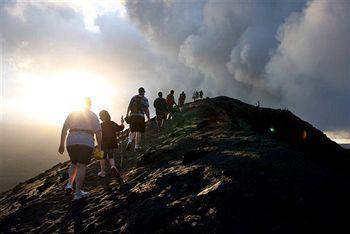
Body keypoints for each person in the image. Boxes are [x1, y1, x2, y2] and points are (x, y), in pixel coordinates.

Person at [58, 97, 102, 200]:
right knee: (81, 165)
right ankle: (78, 193)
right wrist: (99, 147)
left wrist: (61, 144)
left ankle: (69, 185)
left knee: (74, 162)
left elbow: (64, 128)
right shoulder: (93, 115)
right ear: (90, 104)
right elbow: (98, 132)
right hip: (86, 141)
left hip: (71, 140)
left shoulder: (73, 114)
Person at [98, 110, 124, 184]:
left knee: (100, 157)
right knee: (111, 156)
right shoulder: (112, 123)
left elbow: (97, 133)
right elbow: (120, 128)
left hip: (102, 143)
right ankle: (113, 166)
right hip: (112, 142)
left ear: (101, 117)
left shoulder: (100, 125)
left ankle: (102, 172)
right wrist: (122, 123)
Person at [125, 87, 151, 151]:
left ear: (138, 91)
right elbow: (146, 109)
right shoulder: (145, 99)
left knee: (132, 130)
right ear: (143, 92)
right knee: (139, 132)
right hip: (140, 116)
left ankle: (129, 141)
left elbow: (129, 106)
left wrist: (127, 114)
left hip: (132, 116)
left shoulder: (134, 97)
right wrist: (148, 118)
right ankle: (136, 147)